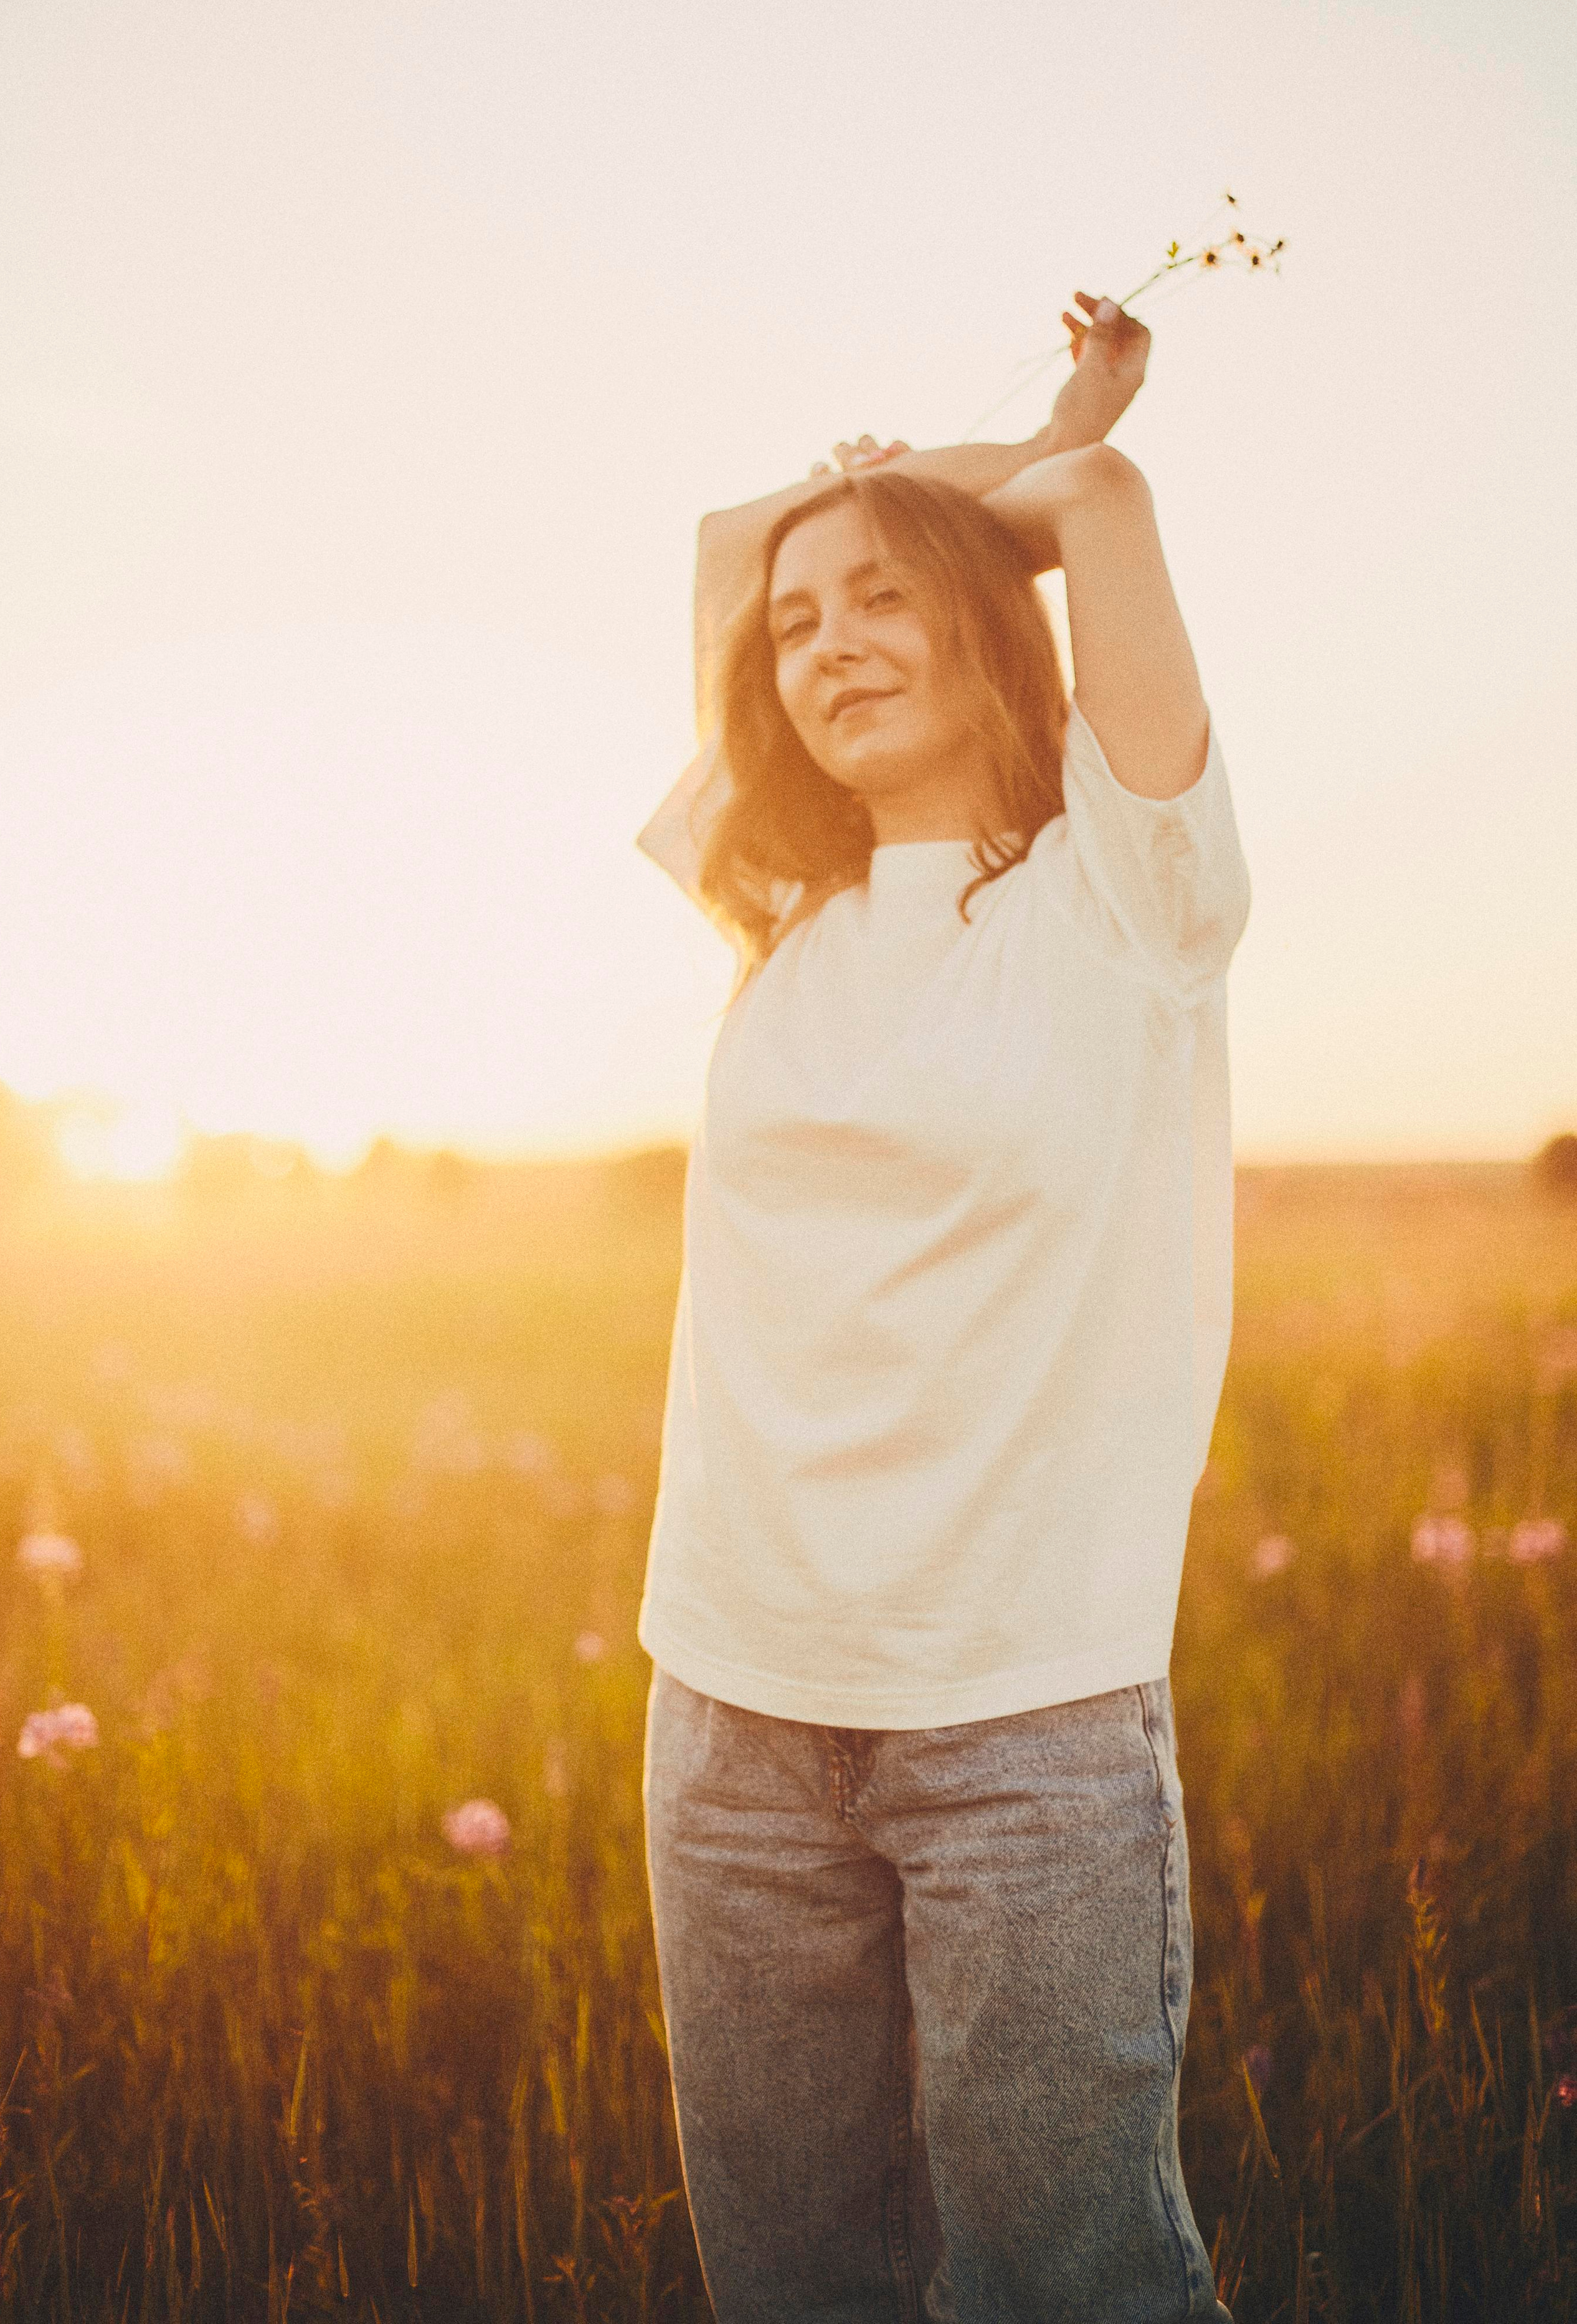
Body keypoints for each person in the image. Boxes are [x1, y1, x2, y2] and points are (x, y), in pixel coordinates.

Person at [632, 292, 1248, 2323]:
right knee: (791, 2286)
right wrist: (879, 519)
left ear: (995, 622)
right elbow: (733, 541)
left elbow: (1106, 499)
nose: (827, 642)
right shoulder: (777, 895)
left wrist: (1026, 449)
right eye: (804, 631)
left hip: (1026, 1725)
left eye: (888, 602)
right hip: (730, 1715)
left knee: (1068, 2287)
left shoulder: (1130, 894)